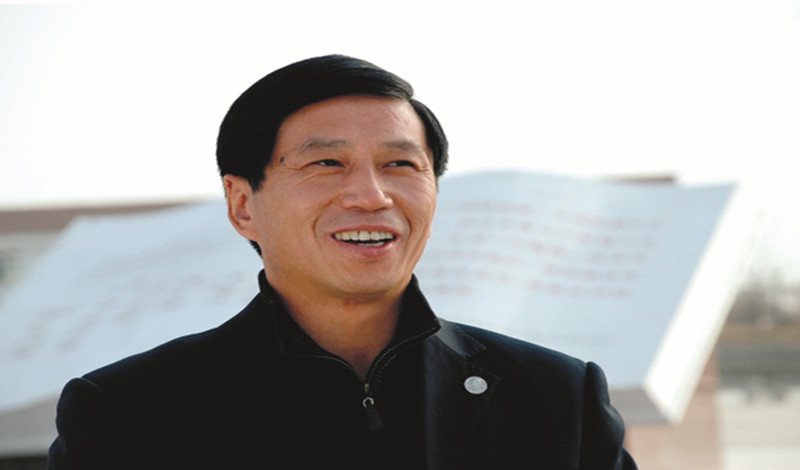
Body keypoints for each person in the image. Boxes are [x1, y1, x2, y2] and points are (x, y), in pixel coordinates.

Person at [47, 55, 637, 469]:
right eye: (327, 164)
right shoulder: (132, 411)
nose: (371, 196)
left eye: (401, 165)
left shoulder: (558, 396)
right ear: (243, 204)